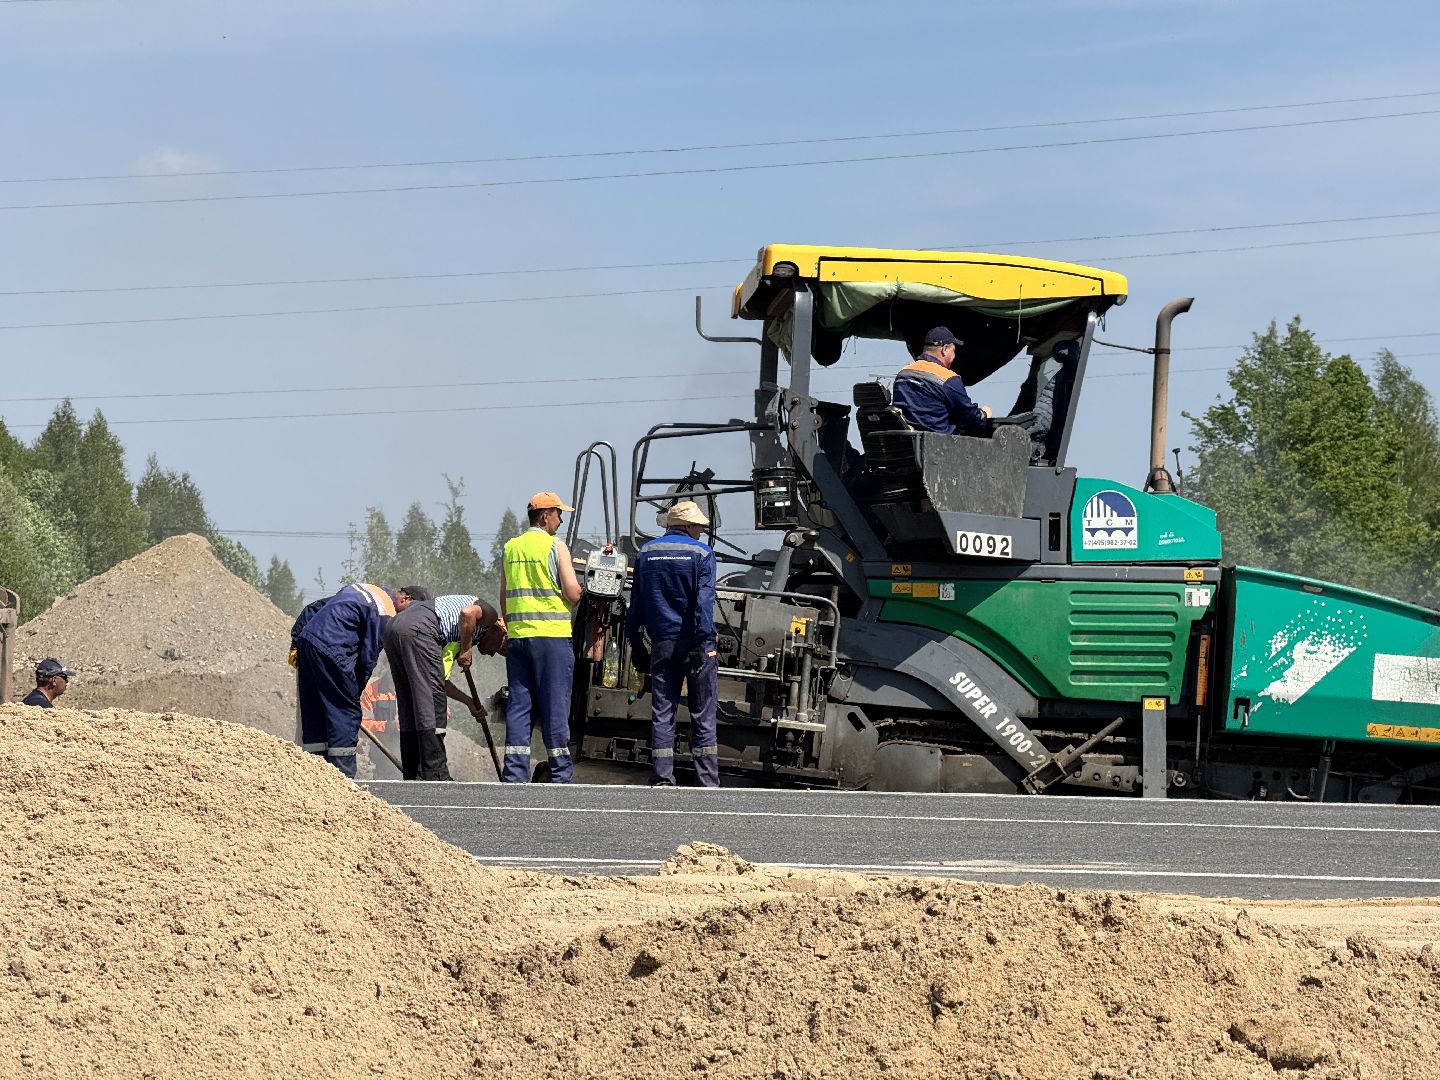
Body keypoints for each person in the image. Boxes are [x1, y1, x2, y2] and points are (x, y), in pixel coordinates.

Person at [627, 500, 720, 788]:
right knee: (702, 712)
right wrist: (705, 642)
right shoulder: (702, 554)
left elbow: (636, 604)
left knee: (663, 711)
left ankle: (663, 777)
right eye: (699, 527)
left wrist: (635, 642)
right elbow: (704, 604)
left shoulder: (646, 554)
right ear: (688, 525)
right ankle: (707, 782)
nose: (701, 532)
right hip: (695, 644)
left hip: (662, 644)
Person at [292, 582, 420, 777]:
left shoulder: (366, 590)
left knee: (315, 711)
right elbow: (368, 658)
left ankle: (313, 774)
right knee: (345, 714)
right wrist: (353, 695)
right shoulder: (386, 613)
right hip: (334, 649)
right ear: (405, 599)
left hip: (307, 642)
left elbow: (314, 608)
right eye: (410, 614)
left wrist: (296, 643)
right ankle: (343, 779)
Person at [499, 491, 584, 783]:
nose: (560, 520)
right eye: (558, 514)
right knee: (555, 704)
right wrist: (583, 592)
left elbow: (504, 597)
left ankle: (514, 774)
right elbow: (572, 593)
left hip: (519, 637)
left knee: (519, 705)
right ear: (545, 515)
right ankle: (560, 773)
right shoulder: (555, 547)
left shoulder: (510, 548)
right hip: (552, 638)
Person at [384, 590, 496, 781]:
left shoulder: (452, 635)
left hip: (393, 628)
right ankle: (436, 773)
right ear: (500, 628)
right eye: (502, 647)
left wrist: (468, 701)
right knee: (433, 702)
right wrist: (467, 649)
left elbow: (439, 679)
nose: (494, 653)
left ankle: (414, 772)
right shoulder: (490, 616)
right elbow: (468, 613)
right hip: (419, 628)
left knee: (410, 700)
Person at [891, 326, 992, 435]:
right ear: (945, 349)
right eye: (953, 351)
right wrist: (984, 414)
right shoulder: (947, 378)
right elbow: (970, 418)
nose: (954, 356)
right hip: (938, 446)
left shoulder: (903, 374)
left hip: (906, 445)